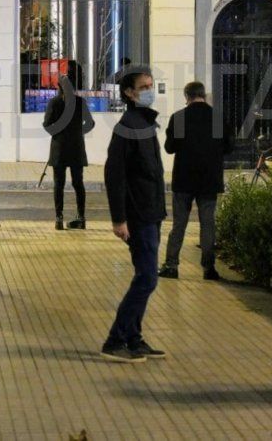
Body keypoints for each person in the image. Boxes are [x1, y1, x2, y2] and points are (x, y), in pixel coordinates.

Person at [100, 66, 168, 363]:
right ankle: (116, 339)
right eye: (143, 86)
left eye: (151, 85)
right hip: (139, 215)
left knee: (146, 277)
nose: (149, 90)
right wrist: (119, 219)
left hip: (151, 213)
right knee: (147, 279)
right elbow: (114, 175)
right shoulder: (128, 125)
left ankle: (134, 339)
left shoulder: (143, 122)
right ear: (129, 93)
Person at [159, 81, 233, 281]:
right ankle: (209, 268)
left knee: (179, 224)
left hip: (184, 179)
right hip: (209, 179)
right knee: (208, 224)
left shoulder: (180, 118)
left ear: (187, 96)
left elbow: (169, 148)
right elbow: (228, 147)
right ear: (204, 95)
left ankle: (171, 265)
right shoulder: (217, 117)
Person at [42, 76, 95, 230]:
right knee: (78, 183)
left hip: (59, 148)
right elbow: (90, 123)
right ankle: (81, 217)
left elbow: (47, 124)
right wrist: (78, 132)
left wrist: (57, 133)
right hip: (77, 148)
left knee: (59, 184)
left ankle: (59, 218)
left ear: (59, 87)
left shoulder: (54, 102)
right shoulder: (80, 102)